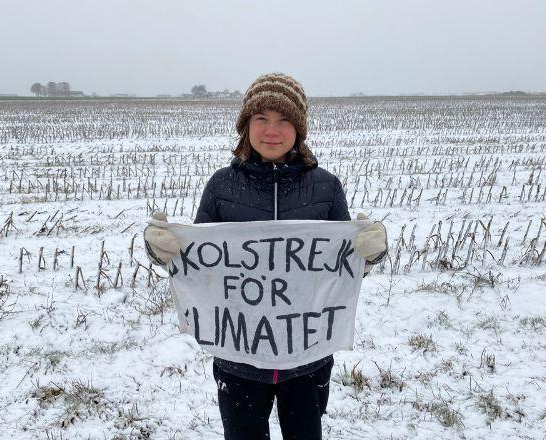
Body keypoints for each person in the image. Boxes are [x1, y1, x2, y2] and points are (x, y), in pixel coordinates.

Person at [145, 73, 387, 440]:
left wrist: (369, 255)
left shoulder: (326, 187)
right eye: (262, 118)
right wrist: (162, 250)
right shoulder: (221, 186)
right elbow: (199, 262)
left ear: (299, 129)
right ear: (246, 127)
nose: (272, 130)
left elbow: (341, 267)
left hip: (307, 357)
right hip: (238, 359)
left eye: (284, 119)